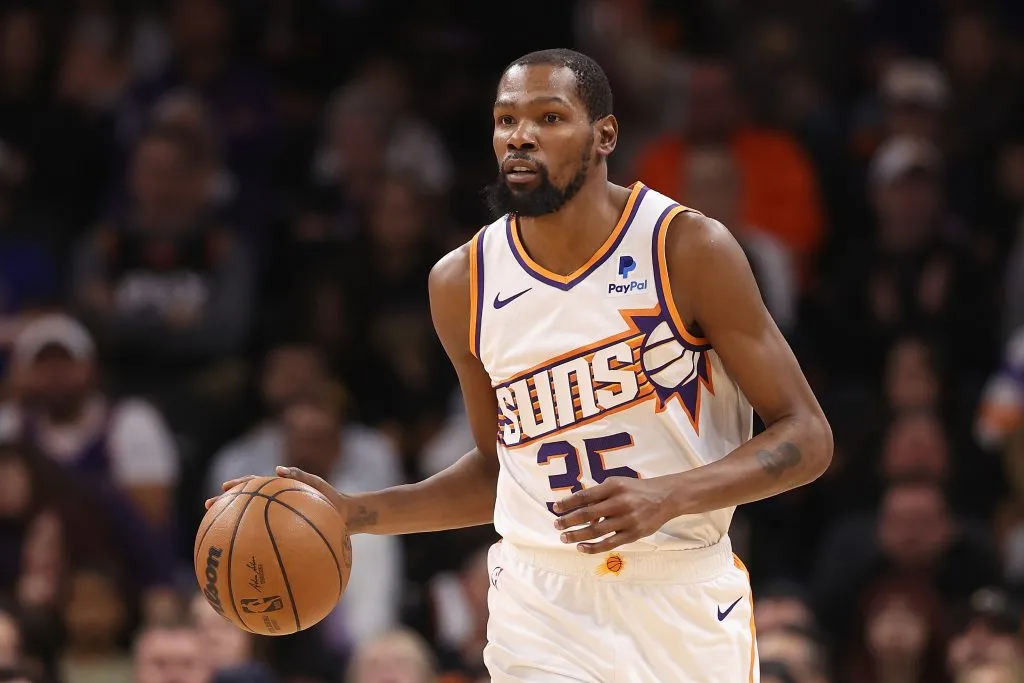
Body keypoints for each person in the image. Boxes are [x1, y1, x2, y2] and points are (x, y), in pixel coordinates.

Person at [210, 48, 833, 682]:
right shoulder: (463, 282)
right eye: (506, 120)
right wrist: (351, 514)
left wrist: (670, 495)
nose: (521, 137)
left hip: (683, 594)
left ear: (605, 135)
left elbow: (807, 438)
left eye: (550, 118)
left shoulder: (686, 249)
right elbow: (495, 471)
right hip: (541, 604)